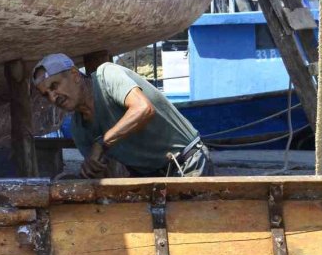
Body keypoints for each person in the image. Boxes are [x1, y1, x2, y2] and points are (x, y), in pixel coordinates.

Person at [32, 53, 213, 179]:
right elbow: (105, 174)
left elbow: (143, 110)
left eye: (54, 85)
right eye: (46, 94)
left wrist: (102, 143)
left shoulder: (107, 76)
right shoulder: (79, 129)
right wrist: (92, 170)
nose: (53, 97)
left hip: (187, 164)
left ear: (74, 74)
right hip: (150, 179)